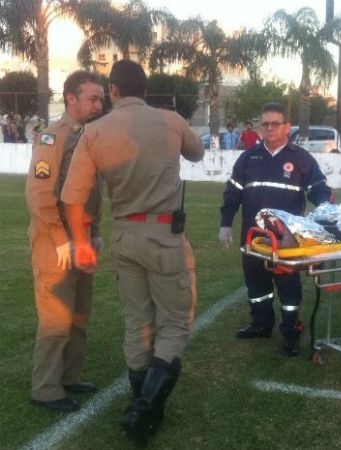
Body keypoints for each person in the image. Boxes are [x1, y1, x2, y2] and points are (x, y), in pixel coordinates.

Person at [61, 60, 204, 445]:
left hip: (125, 234)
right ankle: (143, 409)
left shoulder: (94, 131)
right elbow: (197, 152)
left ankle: (142, 401)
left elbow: (73, 197)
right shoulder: (169, 120)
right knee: (174, 322)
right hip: (164, 235)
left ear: (114, 90)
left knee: (137, 321)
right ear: (145, 88)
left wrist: (80, 241)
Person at [219, 101, 333, 357]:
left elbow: (319, 190)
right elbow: (232, 193)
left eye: (275, 124)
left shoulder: (301, 159)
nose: (269, 128)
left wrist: (326, 208)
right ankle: (261, 324)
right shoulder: (248, 157)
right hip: (253, 239)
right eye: (265, 124)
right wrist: (225, 223)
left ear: (287, 127)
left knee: (288, 289)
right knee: (257, 287)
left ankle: (291, 333)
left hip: (286, 242)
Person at [25, 71, 105, 413]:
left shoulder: (90, 137)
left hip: (82, 241)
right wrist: (60, 239)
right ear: (71, 98)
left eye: (101, 98)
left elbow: (91, 193)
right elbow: (40, 194)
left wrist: (95, 233)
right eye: (92, 98)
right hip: (54, 244)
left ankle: (70, 376)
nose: (99, 105)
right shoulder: (51, 139)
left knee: (79, 315)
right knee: (56, 320)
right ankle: (45, 389)